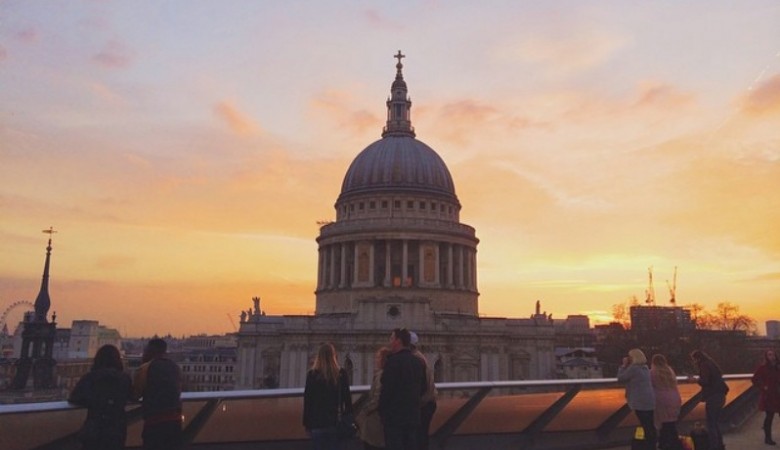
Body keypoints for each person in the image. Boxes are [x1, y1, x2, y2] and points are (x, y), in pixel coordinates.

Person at [68, 344, 133, 450]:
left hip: (96, 427)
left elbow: (75, 397)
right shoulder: (125, 378)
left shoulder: (90, 377)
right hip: (117, 428)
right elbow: (131, 396)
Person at [379, 328, 427, 450]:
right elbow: (424, 388)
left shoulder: (392, 362)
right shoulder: (418, 362)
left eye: (392, 338)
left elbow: (386, 391)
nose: (390, 342)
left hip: (394, 418)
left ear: (398, 341)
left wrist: (383, 412)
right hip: (413, 417)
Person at [133, 338, 183, 450]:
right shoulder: (175, 367)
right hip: (175, 421)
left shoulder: (145, 368)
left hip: (154, 421)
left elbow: (136, 394)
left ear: (150, 351)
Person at [303, 343, 353, 450]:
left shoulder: (312, 375)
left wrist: (307, 424)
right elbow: (348, 401)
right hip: (335, 423)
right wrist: (348, 420)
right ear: (334, 356)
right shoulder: (341, 374)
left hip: (317, 423)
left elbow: (308, 401)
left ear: (318, 356)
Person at [617, 348, 657, 450]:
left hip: (640, 401)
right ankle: (652, 445)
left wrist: (623, 366)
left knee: (646, 424)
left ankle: (649, 446)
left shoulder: (634, 368)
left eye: (629, 356)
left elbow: (621, 378)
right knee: (650, 424)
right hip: (649, 399)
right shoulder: (645, 368)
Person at [691, 350, 729, 450]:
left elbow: (705, 381)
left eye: (694, 360)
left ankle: (714, 446)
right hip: (720, 395)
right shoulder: (711, 363)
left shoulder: (704, 365)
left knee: (711, 424)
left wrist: (696, 380)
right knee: (715, 423)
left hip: (713, 397)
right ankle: (719, 445)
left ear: (697, 358)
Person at [358, 346, 392, 449]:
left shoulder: (381, 376)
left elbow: (377, 398)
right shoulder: (387, 374)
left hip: (375, 421)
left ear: (383, 360)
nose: (376, 360)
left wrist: (364, 411)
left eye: (378, 357)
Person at [410, 332, 437, 450]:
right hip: (427, 403)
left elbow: (421, 386)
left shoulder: (416, 360)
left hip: (422, 405)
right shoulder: (420, 357)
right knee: (421, 438)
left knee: (418, 439)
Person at [651, 353, 684, 450]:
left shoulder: (652, 372)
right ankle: (674, 444)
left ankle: (665, 444)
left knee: (663, 424)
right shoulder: (670, 371)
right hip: (674, 397)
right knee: (671, 423)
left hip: (661, 399)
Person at [752, 349, 780, 445]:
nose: (772, 357)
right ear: (766, 357)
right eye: (769, 355)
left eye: (773, 354)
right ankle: (768, 438)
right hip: (769, 396)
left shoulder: (778, 367)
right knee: (769, 417)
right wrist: (763, 387)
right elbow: (754, 379)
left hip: (778, 394)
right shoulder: (763, 368)